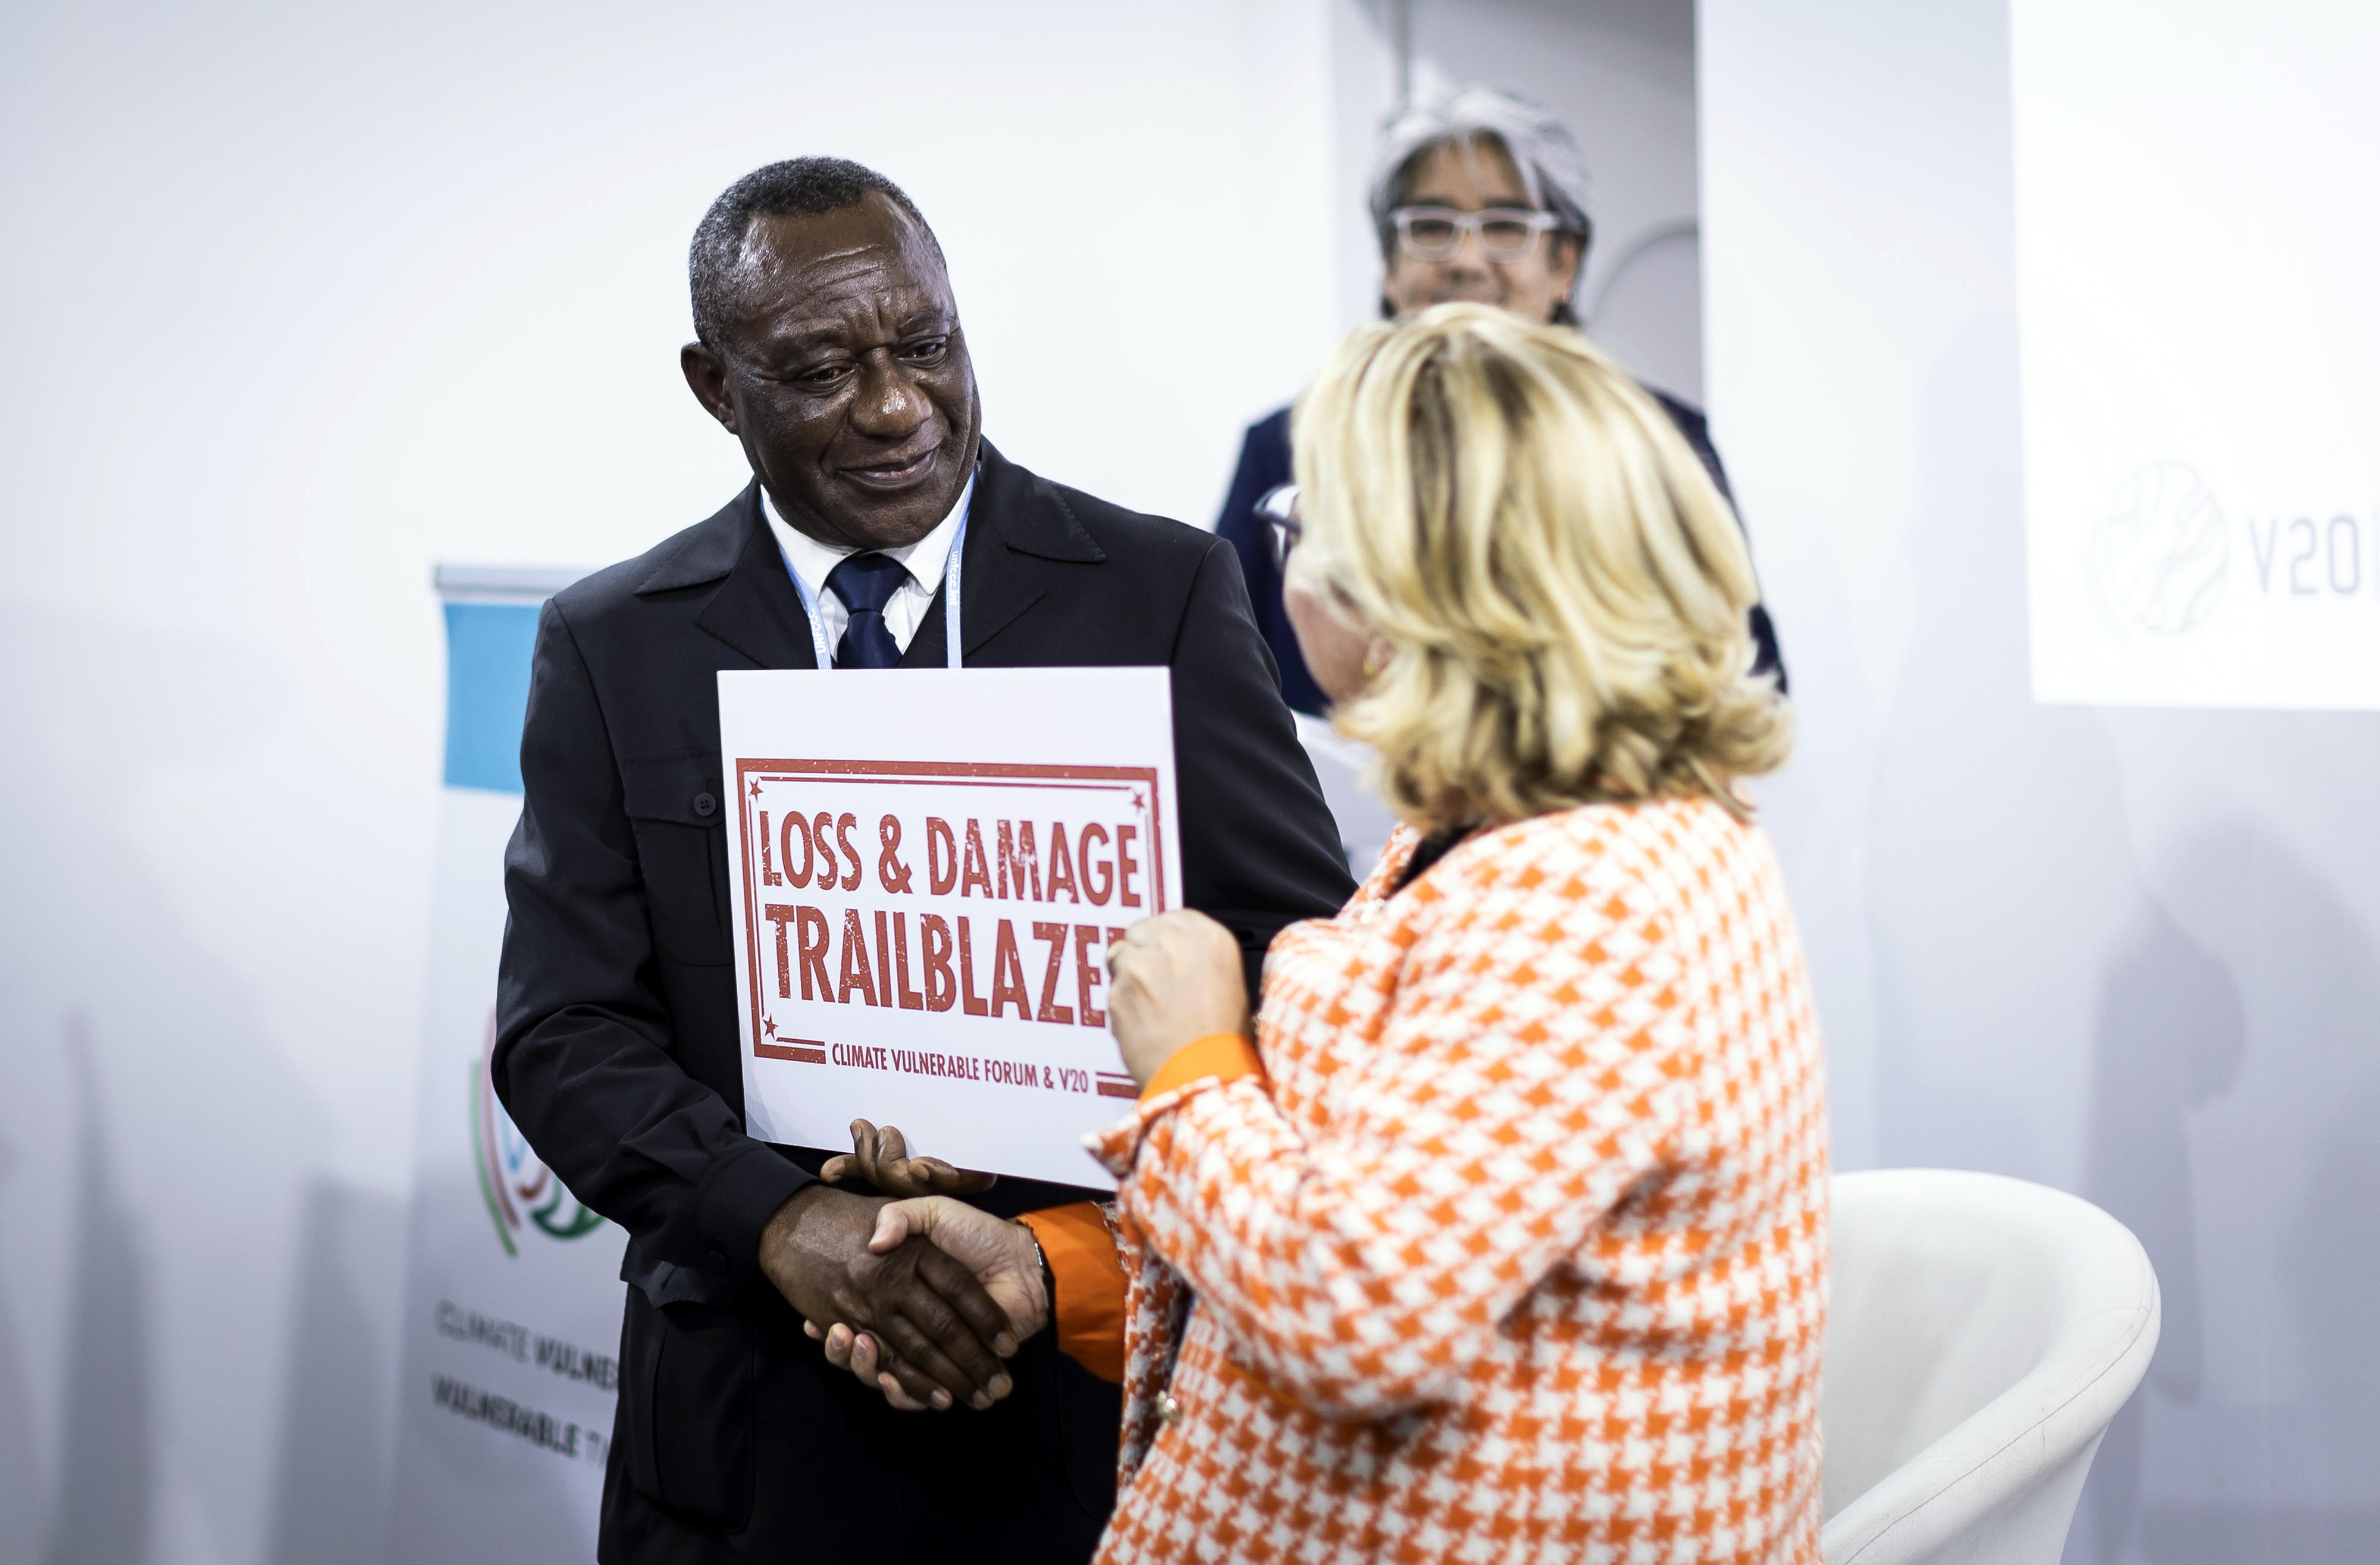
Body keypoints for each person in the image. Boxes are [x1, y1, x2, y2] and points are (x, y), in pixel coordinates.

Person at [825, 305, 1830, 1564]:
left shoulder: (1584, 893)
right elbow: (1391, 1211)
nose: (1283, 555)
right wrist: (1052, 1270)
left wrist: (1191, 1063)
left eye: (1301, 524)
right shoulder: (1520, 840)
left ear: (1417, 582)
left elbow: (1355, 1310)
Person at [493, 156, 1354, 1565]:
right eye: (822, 366)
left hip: (1079, 1413)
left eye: (927, 346)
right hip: (745, 1437)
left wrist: (1061, 1249)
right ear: (717, 387)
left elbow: (1300, 966)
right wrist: (782, 1218)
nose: (896, 407)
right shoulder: (615, 642)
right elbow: (562, 1031)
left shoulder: (1159, 591)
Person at [1217, 86, 1786, 713]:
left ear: (1563, 262)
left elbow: (1745, 679)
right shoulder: (1291, 445)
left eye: (1505, 226)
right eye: (1430, 226)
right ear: (1387, 263)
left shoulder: (1657, 443)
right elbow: (1222, 687)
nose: (1466, 259)